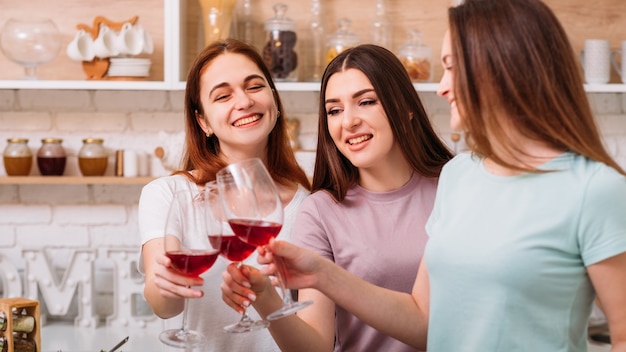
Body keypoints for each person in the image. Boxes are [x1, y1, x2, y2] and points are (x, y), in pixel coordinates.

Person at [231, 0, 626, 351]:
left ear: (498, 68)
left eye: (451, 67)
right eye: (334, 110)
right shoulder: (461, 175)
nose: (440, 88)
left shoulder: (596, 189)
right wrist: (321, 276)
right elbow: (424, 322)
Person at [221, 44, 454, 351]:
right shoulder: (320, 212)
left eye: (366, 102)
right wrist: (265, 297)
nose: (348, 122)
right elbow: (314, 346)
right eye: (334, 110)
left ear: (406, 107)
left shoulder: (456, 187)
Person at [137, 38, 311, 351]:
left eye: (254, 86)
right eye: (223, 95)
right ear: (203, 121)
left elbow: (317, 335)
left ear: (274, 98)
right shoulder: (168, 193)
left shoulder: (312, 203)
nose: (243, 101)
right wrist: (166, 284)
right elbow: (164, 306)